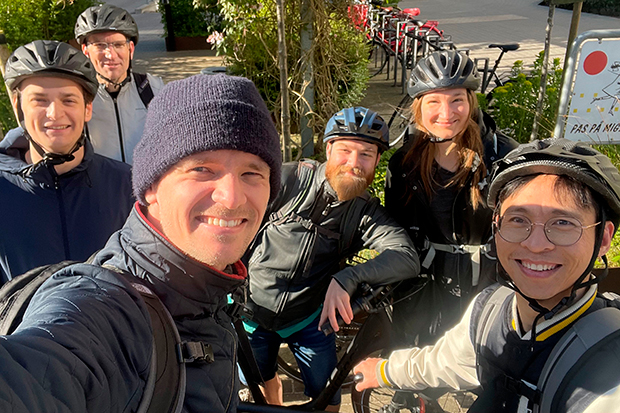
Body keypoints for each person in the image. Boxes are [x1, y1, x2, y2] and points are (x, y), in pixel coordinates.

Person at [0, 74, 282, 412]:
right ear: (151, 188)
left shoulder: (207, 291)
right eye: (202, 169)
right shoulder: (102, 308)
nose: (232, 197)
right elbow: (39, 375)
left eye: (252, 173)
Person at [355, 138, 620, 413]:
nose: (535, 244)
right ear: (496, 227)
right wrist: (384, 371)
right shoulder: (490, 311)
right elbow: (447, 362)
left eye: (563, 222)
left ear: (603, 239)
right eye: (518, 219)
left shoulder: (609, 372)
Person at [243, 107, 420, 411]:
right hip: (251, 310)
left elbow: (406, 257)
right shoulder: (288, 179)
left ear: (378, 161)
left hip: (309, 317)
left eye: (366, 154)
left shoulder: (365, 213)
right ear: (328, 149)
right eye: (345, 150)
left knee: (327, 397)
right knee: (261, 384)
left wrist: (349, 277)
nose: (354, 163)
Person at [384, 50, 518, 346]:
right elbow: (395, 230)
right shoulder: (404, 163)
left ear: (471, 102)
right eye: (434, 101)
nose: (446, 113)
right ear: (419, 107)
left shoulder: (503, 157)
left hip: (490, 288)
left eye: (456, 99)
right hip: (425, 292)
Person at [0, 40, 133, 284]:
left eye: (68, 100)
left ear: (87, 108)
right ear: (19, 108)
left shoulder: (126, 185)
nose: (55, 113)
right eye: (39, 100)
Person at [75, 3, 165, 163]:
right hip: (97, 179)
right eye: (100, 45)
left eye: (118, 45)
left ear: (131, 49)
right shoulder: (77, 96)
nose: (110, 55)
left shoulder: (153, 89)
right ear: (86, 50)